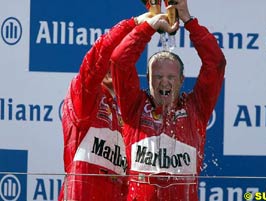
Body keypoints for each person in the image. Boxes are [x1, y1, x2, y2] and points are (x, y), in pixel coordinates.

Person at [110, 0, 226, 200]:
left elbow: (216, 63)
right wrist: (149, 26)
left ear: (182, 80)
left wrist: (188, 20)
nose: (164, 83)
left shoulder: (196, 108)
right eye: (158, 77)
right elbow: (120, 60)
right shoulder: (134, 107)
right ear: (148, 80)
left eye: (171, 77)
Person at [58, 13, 153, 201]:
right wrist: (134, 24)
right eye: (106, 60)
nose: (109, 64)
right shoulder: (84, 95)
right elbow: (96, 60)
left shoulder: (124, 114)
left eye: (114, 60)